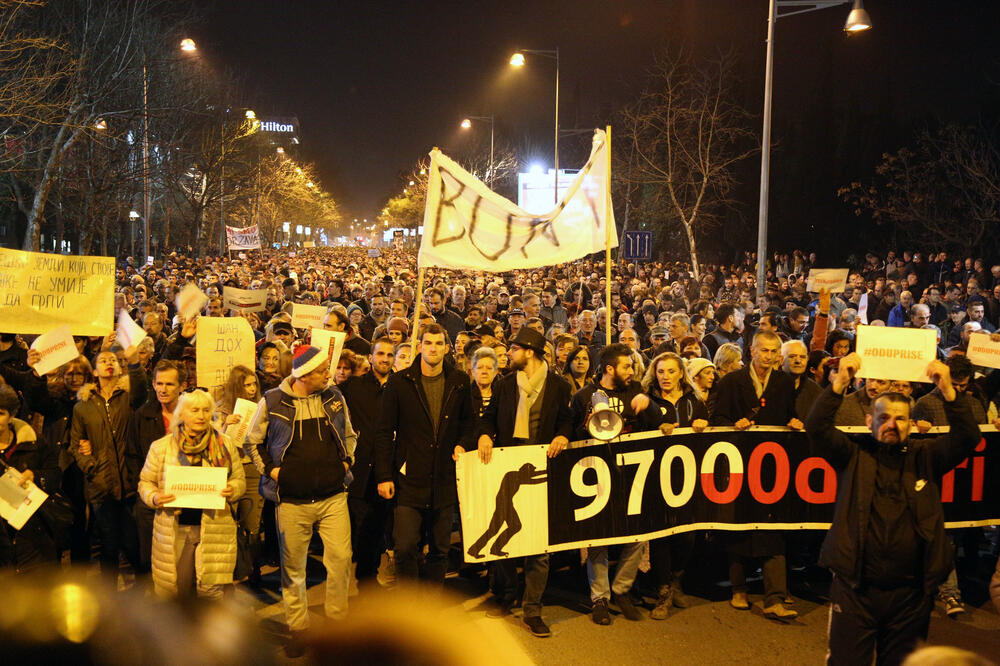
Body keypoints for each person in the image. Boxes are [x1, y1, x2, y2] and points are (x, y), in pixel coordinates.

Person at [805, 353, 980, 666]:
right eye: (883, 417)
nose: (891, 424)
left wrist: (949, 393)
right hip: (855, 591)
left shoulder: (927, 457)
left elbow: (968, 437)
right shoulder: (852, 455)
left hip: (911, 596)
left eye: (900, 419)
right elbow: (816, 427)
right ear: (868, 421)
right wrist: (839, 384)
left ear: (911, 424)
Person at [247, 344, 356, 655]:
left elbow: (349, 435)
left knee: (340, 559)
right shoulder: (272, 401)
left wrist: (346, 464)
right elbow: (251, 442)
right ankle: (299, 628)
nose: (329, 375)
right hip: (292, 501)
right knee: (293, 567)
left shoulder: (334, 397)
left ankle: (337, 622)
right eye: (323, 371)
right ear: (305, 375)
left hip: (333, 497)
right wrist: (273, 472)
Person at [468, 328, 573, 637]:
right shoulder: (504, 386)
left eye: (513, 349)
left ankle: (532, 609)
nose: (507, 354)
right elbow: (488, 419)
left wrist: (563, 435)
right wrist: (485, 433)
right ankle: (507, 594)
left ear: (529, 352)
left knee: (539, 547)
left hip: (542, 469)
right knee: (504, 541)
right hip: (507, 467)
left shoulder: (557, 386)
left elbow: (567, 420)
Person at [568, 343, 663, 625]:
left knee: (638, 533)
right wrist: (583, 427)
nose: (632, 371)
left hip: (632, 473)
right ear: (610, 369)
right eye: (626, 367)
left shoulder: (635, 393)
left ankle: (621, 589)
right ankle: (601, 597)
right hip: (596, 474)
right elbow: (569, 431)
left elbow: (658, 422)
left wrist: (651, 405)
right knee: (600, 536)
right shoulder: (584, 396)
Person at [375, 324, 475, 586]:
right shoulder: (400, 381)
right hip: (409, 479)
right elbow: (384, 432)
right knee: (406, 546)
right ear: (420, 346)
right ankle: (410, 604)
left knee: (440, 549)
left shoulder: (460, 381)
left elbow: (469, 424)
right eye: (428, 343)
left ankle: (431, 605)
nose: (433, 348)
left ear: (446, 347)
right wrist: (384, 475)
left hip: (444, 477)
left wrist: (463, 443)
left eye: (438, 343)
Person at [712, 331, 801, 620]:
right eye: (764, 350)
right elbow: (718, 419)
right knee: (739, 524)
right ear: (752, 350)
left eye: (775, 351)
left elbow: (789, 414)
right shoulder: (731, 382)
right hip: (739, 463)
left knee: (773, 528)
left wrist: (794, 422)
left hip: (772, 467)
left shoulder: (785, 383)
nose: (770, 356)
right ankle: (739, 589)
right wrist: (731, 424)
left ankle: (774, 597)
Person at [137, 389, 245, 599]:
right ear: (182, 414)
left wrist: (233, 489)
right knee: (177, 590)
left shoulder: (225, 444)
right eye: (194, 410)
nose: (201, 415)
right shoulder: (161, 447)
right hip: (175, 528)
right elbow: (145, 482)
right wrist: (155, 497)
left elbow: (239, 479)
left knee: (211, 592)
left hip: (215, 527)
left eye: (206, 410)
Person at [70, 342, 147, 580]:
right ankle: (109, 598)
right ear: (94, 371)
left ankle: (146, 588)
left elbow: (142, 389)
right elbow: (76, 444)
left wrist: (134, 363)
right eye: (102, 361)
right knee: (108, 545)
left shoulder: (127, 397)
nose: (108, 363)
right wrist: (90, 465)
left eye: (112, 360)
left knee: (133, 544)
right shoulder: (83, 406)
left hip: (129, 481)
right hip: (101, 485)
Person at [641, 352, 709, 619]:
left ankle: (677, 577)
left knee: (687, 534)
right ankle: (664, 588)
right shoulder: (648, 400)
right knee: (661, 534)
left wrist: (704, 424)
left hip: (688, 476)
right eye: (660, 372)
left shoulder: (695, 401)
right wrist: (656, 426)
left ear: (681, 372)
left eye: (670, 371)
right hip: (657, 475)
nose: (665, 377)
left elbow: (710, 437)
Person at [339, 337, 395, 590]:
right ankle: (361, 575)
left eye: (389, 355)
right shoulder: (353, 387)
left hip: (388, 469)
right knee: (360, 524)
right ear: (371, 357)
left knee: (379, 524)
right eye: (380, 354)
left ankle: (369, 577)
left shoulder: (400, 387)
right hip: (359, 469)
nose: (384, 359)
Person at [126, 359, 186, 579]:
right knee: (150, 559)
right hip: (152, 499)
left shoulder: (194, 415)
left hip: (188, 495)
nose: (163, 389)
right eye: (159, 383)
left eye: (169, 384)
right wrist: (144, 492)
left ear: (182, 386)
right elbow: (132, 456)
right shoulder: (142, 416)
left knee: (182, 560)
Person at [0, 385, 60, 570]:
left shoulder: (35, 444)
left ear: (11, 416)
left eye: (0, 413)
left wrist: (35, 476)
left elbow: (55, 476)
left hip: (33, 538)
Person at [216, 364, 265, 584]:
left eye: (254, 384)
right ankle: (234, 569)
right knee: (230, 524)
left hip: (253, 469)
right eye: (247, 385)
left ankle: (254, 568)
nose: (252, 389)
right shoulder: (220, 410)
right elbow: (214, 446)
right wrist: (225, 427)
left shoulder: (261, 407)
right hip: (230, 471)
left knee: (253, 523)